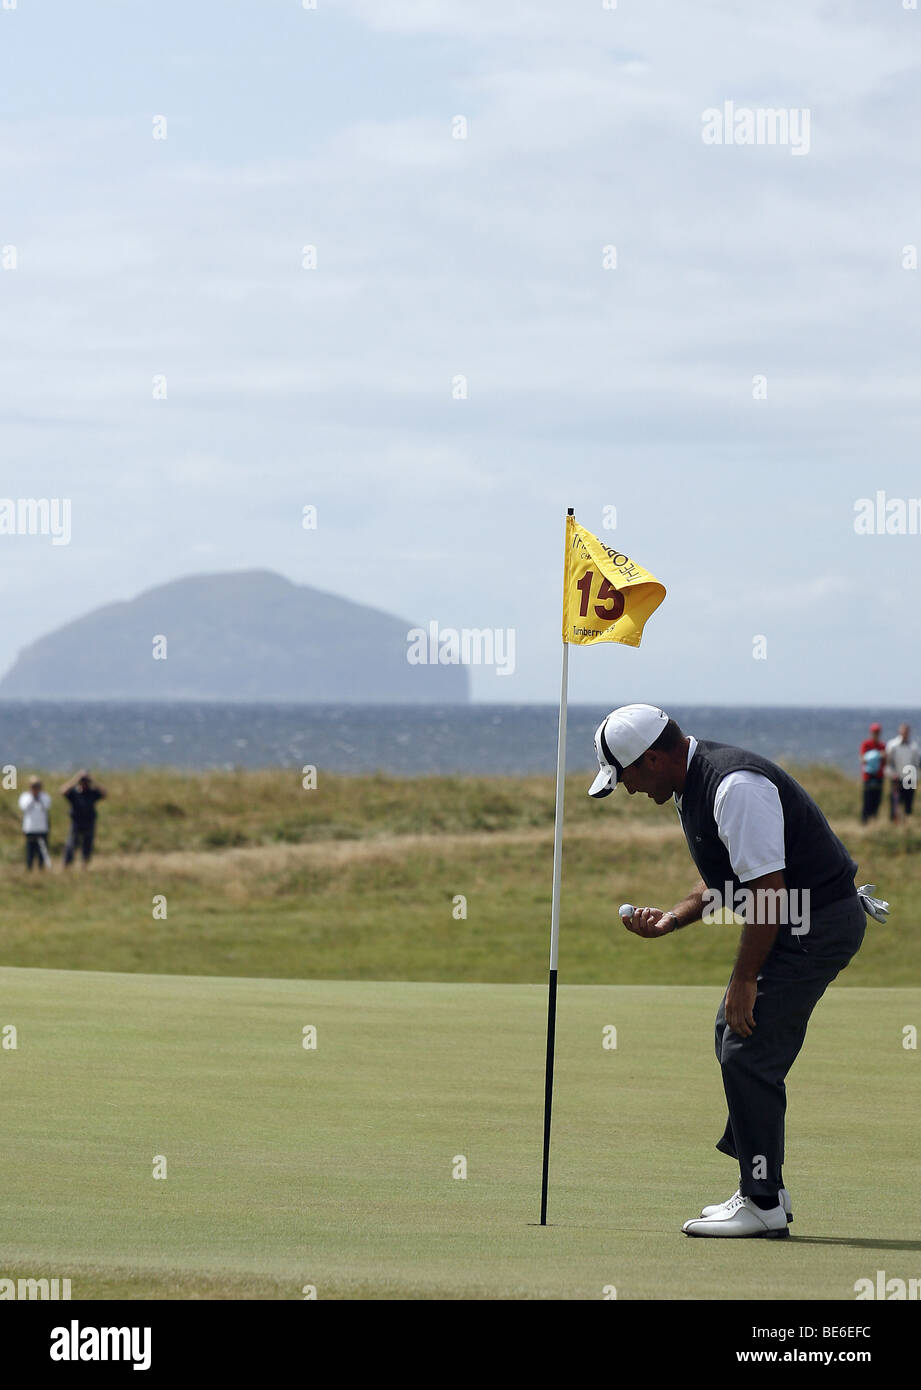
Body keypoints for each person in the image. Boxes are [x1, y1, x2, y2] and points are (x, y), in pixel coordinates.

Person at [588, 704, 880, 1239]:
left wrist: (743, 979)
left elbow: (769, 893)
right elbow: (730, 878)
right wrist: (673, 918)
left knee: (748, 1046)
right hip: (798, 921)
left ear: (652, 759)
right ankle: (763, 1187)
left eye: (625, 775)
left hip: (817, 924)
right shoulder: (692, 786)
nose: (626, 788)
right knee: (734, 1035)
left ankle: (762, 1202)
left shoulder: (733, 788)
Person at [60, 770, 106, 867]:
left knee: (87, 845)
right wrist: (75, 779)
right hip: (76, 823)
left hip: (89, 822)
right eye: (83, 781)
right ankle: (67, 865)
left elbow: (104, 793)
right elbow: (62, 791)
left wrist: (93, 780)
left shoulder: (92, 792)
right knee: (71, 845)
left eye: (86, 781)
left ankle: (85, 865)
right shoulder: (74, 793)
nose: (84, 783)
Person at [885, 723, 920, 822]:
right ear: (899, 731)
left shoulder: (914, 746)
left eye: (907, 731)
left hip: (910, 778)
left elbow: (916, 762)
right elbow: (889, 762)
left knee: (908, 802)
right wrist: (892, 775)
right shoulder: (892, 745)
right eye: (903, 731)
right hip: (896, 778)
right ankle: (894, 824)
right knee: (895, 803)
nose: (905, 733)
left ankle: (907, 824)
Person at [18, 776, 52, 870]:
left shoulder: (44, 796)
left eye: (37, 786)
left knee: (42, 851)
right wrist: (33, 797)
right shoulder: (25, 796)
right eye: (34, 786)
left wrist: (38, 797)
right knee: (30, 851)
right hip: (30, 829)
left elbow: (46, 806)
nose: (36, 788)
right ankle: (29, 869)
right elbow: (24, 807)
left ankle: (42, 869)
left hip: (42, 829)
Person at [859, 722, 886, 823]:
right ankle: (864, 822)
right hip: (868, 777)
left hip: (879, 777)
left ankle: (874, 821)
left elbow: (885, 761)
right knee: (867, 800)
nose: (876, 734)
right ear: (871, 733)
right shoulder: (866, 744)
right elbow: (862, 759)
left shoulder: (882, 745)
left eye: (878, 732)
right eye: (874, 732)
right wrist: (876, 755)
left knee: (877, 800)